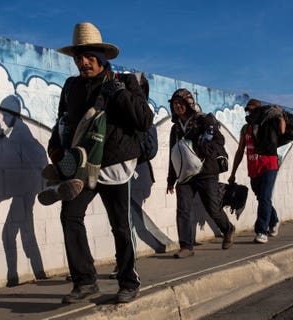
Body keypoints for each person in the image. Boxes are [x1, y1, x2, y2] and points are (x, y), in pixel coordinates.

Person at [47, 22, 153, 304]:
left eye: (89, 56)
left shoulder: (125, 82)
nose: (83, 62)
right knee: (70, 217)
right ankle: (85, 282)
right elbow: (63, 122)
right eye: (78, 57)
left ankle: (128, 281)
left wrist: (118, 92)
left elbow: (143, 119)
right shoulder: (71, 87)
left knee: (120, 224)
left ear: (102, 57)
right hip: (82, 164)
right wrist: (55, 146)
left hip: (115, 164)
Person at [166, 88, 236, 258]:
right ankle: (186, 246)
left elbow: (219, 139)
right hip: (185, 175)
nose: (177, 106)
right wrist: (171, 179)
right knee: (183, 210)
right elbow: (173, 154)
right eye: (174, 104)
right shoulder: (175, 129)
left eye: (180, 103)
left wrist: (205, 148)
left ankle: (228, 229)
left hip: (206, 172)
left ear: (189, 104)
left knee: (212, 209)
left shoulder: (203, 120)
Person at [228, 99, 285, 244]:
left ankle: (261, 231)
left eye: (253, 110)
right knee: (262, 199)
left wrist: (280, 115)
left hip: (269, 165)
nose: (250, 113)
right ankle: (274, 220)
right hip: (254, 169)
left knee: (265, 197)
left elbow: (282, 131)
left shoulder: (268, 124)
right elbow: (240, 151)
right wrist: (233, 172)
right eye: (248, 110)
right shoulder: (245, 129)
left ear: (260, 111)